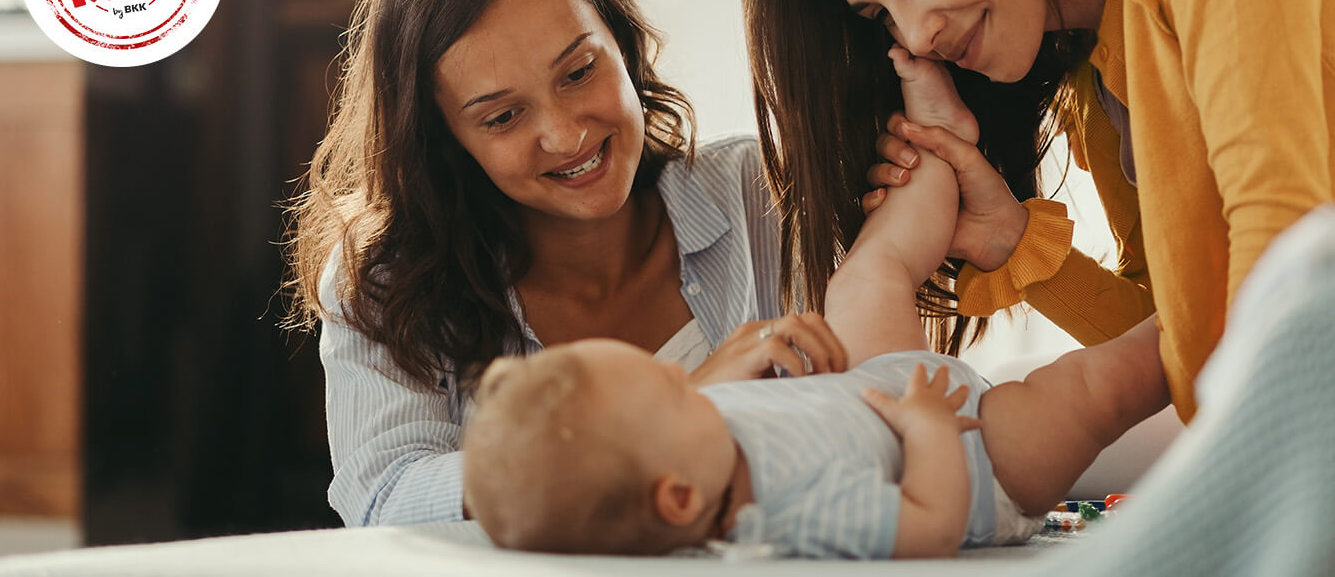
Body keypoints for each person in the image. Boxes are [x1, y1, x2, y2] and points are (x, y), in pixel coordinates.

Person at [461, 55, 1169, 557]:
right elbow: (929, 528)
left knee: (864, 280)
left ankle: (938, 140)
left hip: (873, 385)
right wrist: (927, 431)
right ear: (680, 498)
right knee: (1091, 387)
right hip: (974, 453)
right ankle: (1212, 316)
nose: (696, 383)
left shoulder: (689, 443)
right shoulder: (787, 513)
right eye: (677, 394)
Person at [280, 0, 847, 527]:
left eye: (579, 73)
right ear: (447, 142)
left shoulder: (760, 192)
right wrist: (681, 406)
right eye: (502, 118)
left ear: (623, 47)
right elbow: (387, 500)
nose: (566, 134)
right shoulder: (391, 278)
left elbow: (878, 410)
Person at [739, 0, 1335, 421]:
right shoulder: (1094, 80)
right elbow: (1187, 349)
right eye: (881, 17)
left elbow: (1285, 241)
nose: (916, 35)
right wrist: (1009, 237)